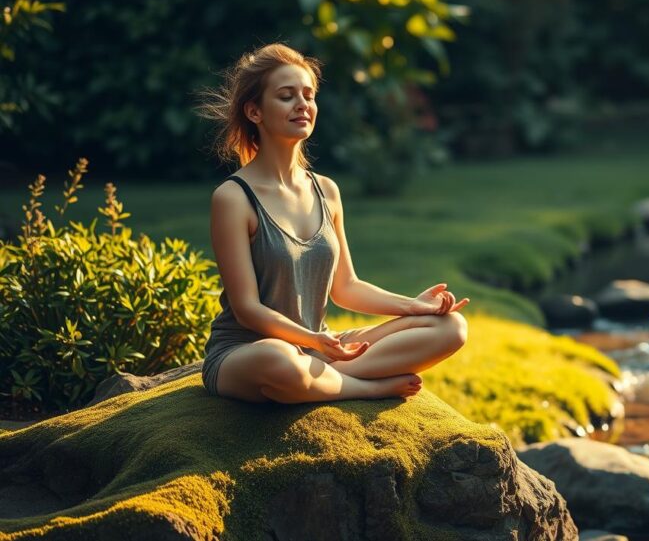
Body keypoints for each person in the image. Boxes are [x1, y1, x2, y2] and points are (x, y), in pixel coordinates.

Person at [196, 43, 469, 404]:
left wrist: (412, 306)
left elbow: (347, 287)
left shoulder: (326, 190)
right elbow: (247, 309)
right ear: (254, 111)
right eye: (286, 96)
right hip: (249, 352)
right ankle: (366, 387)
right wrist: (312, 342)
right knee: (280, 361)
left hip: (318, 346)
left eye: (308, 95)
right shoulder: (233, 197)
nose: (302, 105)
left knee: (451, 328)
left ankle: (323, 380)